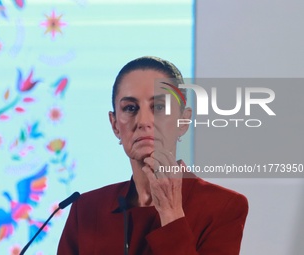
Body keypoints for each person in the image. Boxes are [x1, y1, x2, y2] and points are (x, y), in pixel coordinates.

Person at [57, 56, 248, 255]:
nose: (143, 121)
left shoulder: (223, 207)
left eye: (158, 107)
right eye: (130, 108)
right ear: (114, 125)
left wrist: (171, 213)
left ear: (183, 122)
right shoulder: (86, 209)